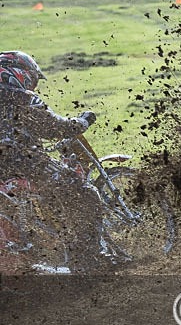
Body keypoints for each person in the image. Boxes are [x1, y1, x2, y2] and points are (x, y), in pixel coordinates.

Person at [0, 51, 105, 266]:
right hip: (22, 161)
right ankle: (87, 261)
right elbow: (56, 127)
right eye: (33, 80)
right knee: (85, 195)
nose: (33, 86)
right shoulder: (19, 97)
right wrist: (83, 121)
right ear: (20, 74)